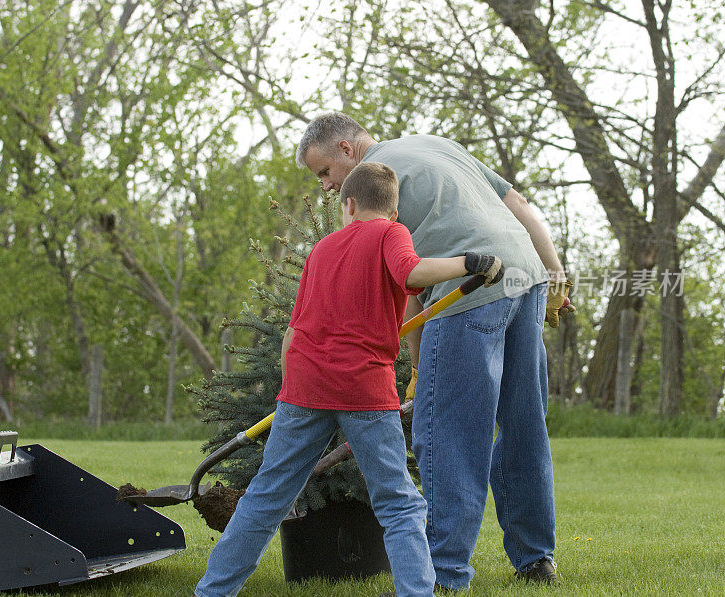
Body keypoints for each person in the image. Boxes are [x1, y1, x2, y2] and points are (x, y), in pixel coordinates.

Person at [194, 162, 505, 597]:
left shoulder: (322, 249)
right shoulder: (391, 233)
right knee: (398, 504)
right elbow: (411, 274)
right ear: (393, 211)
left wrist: (291, 394)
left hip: (303, 386)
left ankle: (211, 592)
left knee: (265, 499)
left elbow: (292, 330)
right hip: (363, 387)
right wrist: (468, 262)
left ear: (349, 204)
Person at [296, 113, 574, 591]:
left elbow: (406, 285)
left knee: (447, 430)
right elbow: (521, 206)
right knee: (523, 422)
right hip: (525, 279)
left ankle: (442, 572)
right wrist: (556, 277)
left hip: (466, 290)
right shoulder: (437, 143)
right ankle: (535, 560)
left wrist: (420, 370)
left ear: (346, 149)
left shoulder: (373, 185)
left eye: (324, 173)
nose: (326, 187)